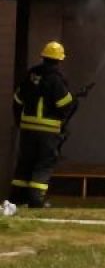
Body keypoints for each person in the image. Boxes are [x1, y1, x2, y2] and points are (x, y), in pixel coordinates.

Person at [9, 41, 75, 208]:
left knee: (25, 162)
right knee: (44, 163)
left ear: (43, 57)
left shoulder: (31, 75)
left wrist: (19, 121)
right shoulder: (56, 79)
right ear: (59, 60)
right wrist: (73, 104)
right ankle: (36, 199)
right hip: (47, 131)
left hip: (27, 129)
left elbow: (17, 100)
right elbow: (65, 105)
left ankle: (17, 198)